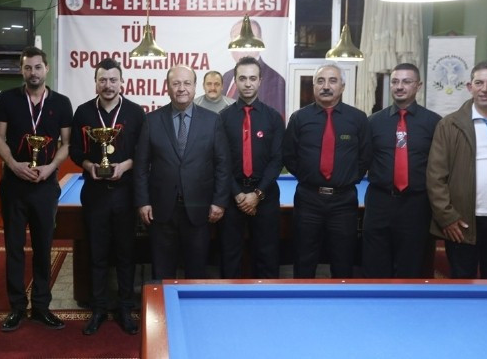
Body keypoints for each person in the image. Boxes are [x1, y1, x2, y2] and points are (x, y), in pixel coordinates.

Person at [0, 46, 73, 331]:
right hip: (14, 184)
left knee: (43, 247)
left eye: (38, 67)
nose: (33, 72)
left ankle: (41, 306)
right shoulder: (7, 98)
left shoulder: (61, 102)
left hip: (45, 185)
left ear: (46, 68)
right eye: (27, 67)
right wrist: (14, 165)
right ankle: (16, 307)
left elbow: (67, 143)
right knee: (14, 247)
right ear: (21, 70)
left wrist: (51, 167)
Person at [69, 58, 145, 336]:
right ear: (96, 82)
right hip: (95, 194)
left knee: (126, 253)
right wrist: (89, 165)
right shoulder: (83, 112)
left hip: (126, 194)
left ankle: (125, 307)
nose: (108, 85)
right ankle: (99, 308)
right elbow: (75, 150)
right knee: (97, 253)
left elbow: (143, 153)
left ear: (122, 82)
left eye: (113, 80)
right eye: (103, 80)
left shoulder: (136, 112)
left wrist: (125, 166)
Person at [134, 66, 231, 279]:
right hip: (161, 210)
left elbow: (223, 165)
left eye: (187, 83)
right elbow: (141, 166)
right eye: (176, 83)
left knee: (196, 273)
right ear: (168, 87)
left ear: (195, 87)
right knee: (162, 273)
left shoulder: (213, 121)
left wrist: (219, 202)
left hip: (200, 209)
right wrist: (143, 202)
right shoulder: (151, 120)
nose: (181, 88)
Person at [282, 64, 370, 278]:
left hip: (343, 201)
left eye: (332, 81)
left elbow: (365, 157)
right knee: (304, 259)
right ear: (313, 86)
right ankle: (303, 298)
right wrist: (308, 177)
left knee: (343, 261)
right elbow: (289, 156)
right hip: (308, 199)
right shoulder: (299, 118)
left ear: (342, 86)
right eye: (320, 81)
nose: (326, 86)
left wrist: (346, 179)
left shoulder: (358, 119)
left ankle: (342, 299)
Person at [427, 61, 487, 279]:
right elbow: (435, 176)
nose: (485, 89)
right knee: (462, 282)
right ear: (470, 87)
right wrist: (447, 217)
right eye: (479, 83)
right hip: (461, 222)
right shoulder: (449, 124)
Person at [363, 63, 441, 278]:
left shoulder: (434, 123)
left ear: (418, 86)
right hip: (380, 202)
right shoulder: (373, 122)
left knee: (412, 267)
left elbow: (441, 165)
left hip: (416, 204)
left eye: (406, 82)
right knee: (375, 267)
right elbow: (363, 159)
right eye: (395, 81)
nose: (399, 87)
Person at [219, 57, 285, 278]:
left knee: (267, 256)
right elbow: (221, 161)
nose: (248, 83)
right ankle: (231, 298)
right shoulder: (223, 118)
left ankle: (266, 299)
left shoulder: (274, 118)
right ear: (236, 81)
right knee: (230, 256)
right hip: (232, 196)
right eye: (243, 78)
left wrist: (257, 194)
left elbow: (277, 160)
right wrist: (238, 194)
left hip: (265, 195)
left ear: (260, 81)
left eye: (252, 78)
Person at [222, 18, 286, 117]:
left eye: (250, 37)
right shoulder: (227, 76)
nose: (243, 43)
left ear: (260, 41)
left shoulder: (275, 80)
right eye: (236, 38)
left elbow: (272, 117)